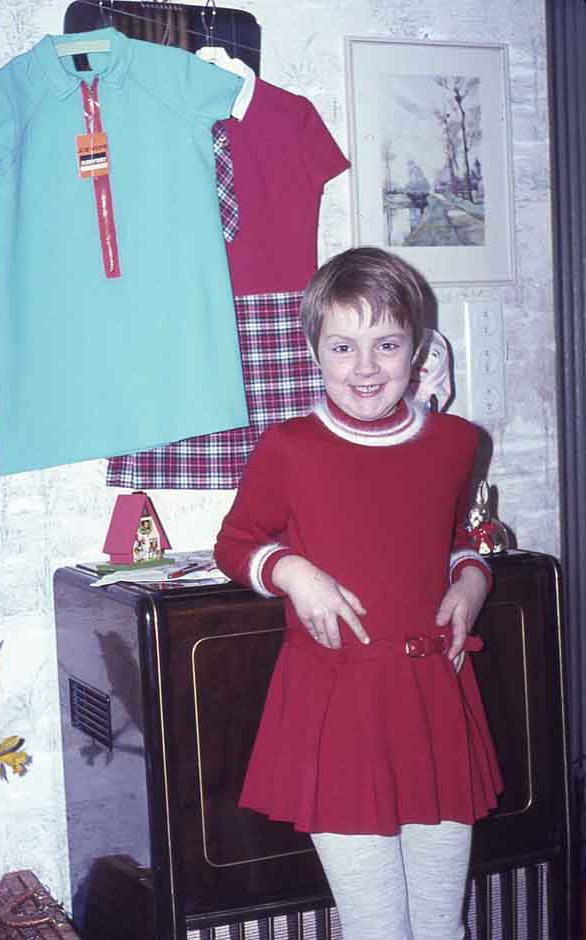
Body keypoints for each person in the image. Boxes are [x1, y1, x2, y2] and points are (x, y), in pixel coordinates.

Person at [214, 246, 503, 940]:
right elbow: (236, 542)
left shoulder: (458, 443)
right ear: (315, 350)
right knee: (377, 926)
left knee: (440, 923)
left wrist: (471, 581)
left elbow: (456, 538)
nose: (366, 367)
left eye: (387, 344)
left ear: (418, 349)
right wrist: (292, 570)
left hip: (434, 697)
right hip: (339, 707)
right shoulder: (289, 447)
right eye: (343, 346)